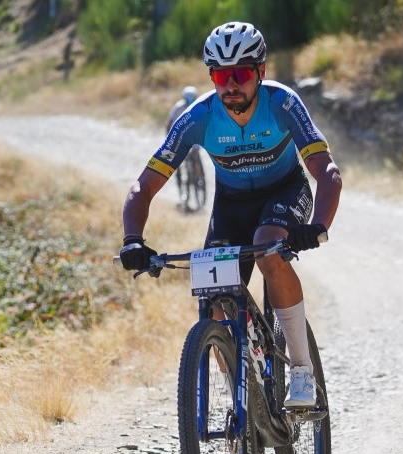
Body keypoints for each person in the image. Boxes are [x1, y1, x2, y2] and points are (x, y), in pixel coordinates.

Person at [120, 21, 342, 407]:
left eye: (240, 74)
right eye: (222, 75)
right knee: (215, 294)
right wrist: (132, 240)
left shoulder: (282, 103)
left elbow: (327, 173)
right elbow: (144, 186)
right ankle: (243, 404)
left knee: (267, 248)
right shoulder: (198, 117)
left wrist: (317, 226)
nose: (231, 85)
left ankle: (302, 370)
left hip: (284, 191)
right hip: (231, 205)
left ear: (261, 72)